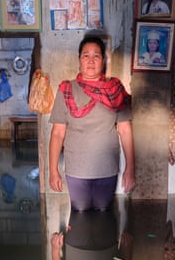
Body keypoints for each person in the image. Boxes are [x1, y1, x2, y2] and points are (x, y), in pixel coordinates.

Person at [48, 36, 135, 212]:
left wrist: (130, 169)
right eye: (86, 55)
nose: (91, 60)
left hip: (107, 168)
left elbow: (125, 131)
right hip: (76, 170)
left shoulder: (115, 89)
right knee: (80, 215)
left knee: (104, 215)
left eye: (96, 56)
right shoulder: (66, 90)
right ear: (79, 60)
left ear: (103, 61)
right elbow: (57, 133)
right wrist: (53, 170)